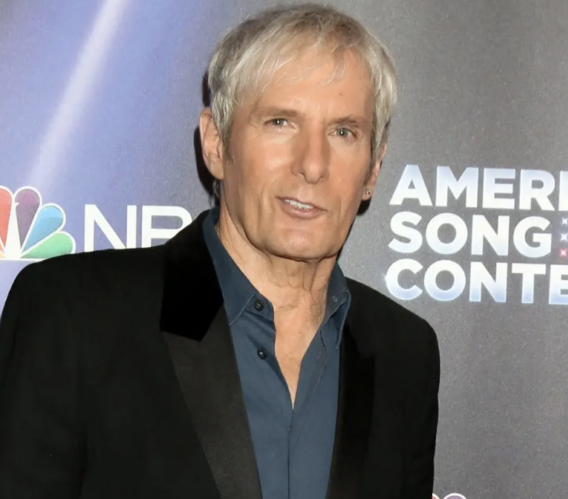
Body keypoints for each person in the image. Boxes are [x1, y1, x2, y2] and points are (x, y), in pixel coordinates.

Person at [0, 4, 440, 499]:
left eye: (343, 132)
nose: (313, 165)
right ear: (215, 143)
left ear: (373, 169)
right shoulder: (74, 316)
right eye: (280, 122)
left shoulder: (406, 354)